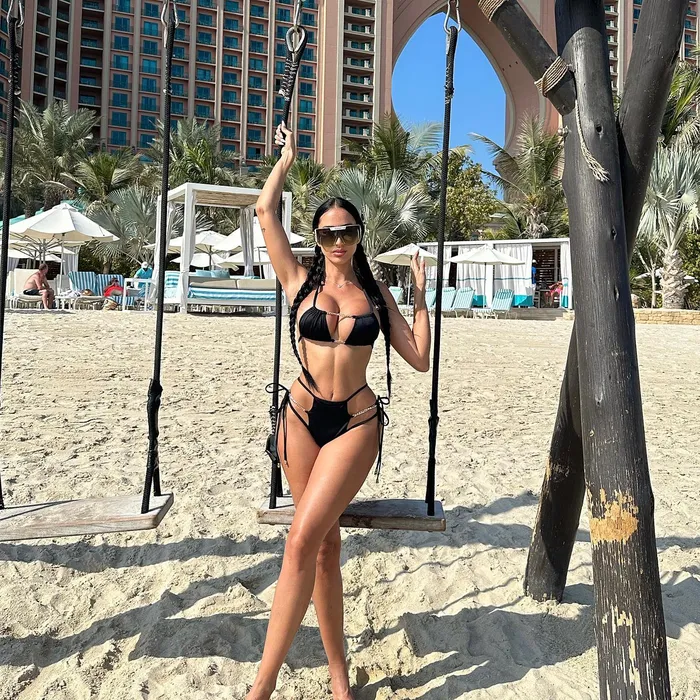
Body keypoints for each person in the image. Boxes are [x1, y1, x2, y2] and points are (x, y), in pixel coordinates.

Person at [246, 122, 431, 700]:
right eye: (327, 233)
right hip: (300, 419)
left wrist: (421, 298)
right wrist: (285, 159)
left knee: (300, 542)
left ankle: (261, 688)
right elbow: (264, 212)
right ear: (317, 238)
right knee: (323, 547)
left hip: (355, 424)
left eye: (347, 231)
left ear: (358, 235)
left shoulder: (375, 296)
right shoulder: (298, 283)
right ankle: (338, 675)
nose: (338, 241)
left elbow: (419, 357)